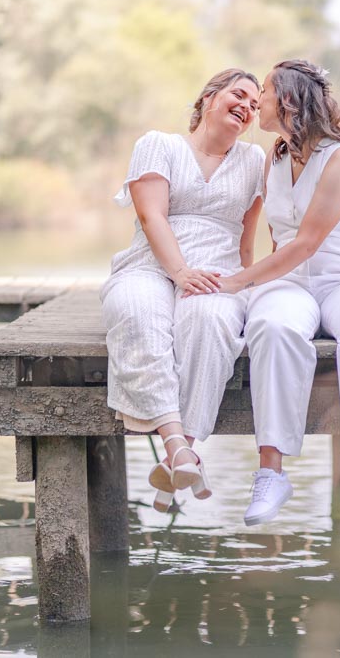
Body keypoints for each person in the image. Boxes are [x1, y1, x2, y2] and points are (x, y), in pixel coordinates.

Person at [202, 59, 340, 534]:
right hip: (290, 283)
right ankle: (271, 472)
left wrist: (238, 281)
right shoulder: (273, 158)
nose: (257, 102)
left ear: (289, 100)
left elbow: (306, 243)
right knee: (272, 327)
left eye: (265, 92)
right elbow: (275, 238)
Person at [100, 68, 265, 511]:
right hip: (150, 266)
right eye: (238, 95)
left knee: (208, 320)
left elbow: (247, 239)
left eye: (254, 104)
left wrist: (245, 287)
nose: (247, 107)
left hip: (217, 273)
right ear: (209, 98)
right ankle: (179, 447)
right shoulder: (159, 145)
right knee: (138, 312)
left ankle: (179, 453)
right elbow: (151, 216)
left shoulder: (254, 161)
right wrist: (179, 272)